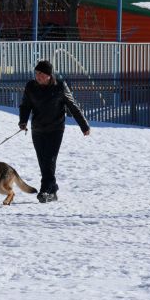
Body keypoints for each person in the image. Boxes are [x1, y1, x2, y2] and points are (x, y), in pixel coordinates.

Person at [19, 60, 90, 203]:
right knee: (42, 161)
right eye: (36, 73)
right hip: (38, 129)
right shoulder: (31, 86)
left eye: (41, 74)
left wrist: (84, 126)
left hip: (55, 130)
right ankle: (53, 188)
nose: (37, 76)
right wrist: (23, 121)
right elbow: (25, 105)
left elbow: (73, 106)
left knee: (50, 159)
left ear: (49, 76)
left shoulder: (60, 87)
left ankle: (45, 190)